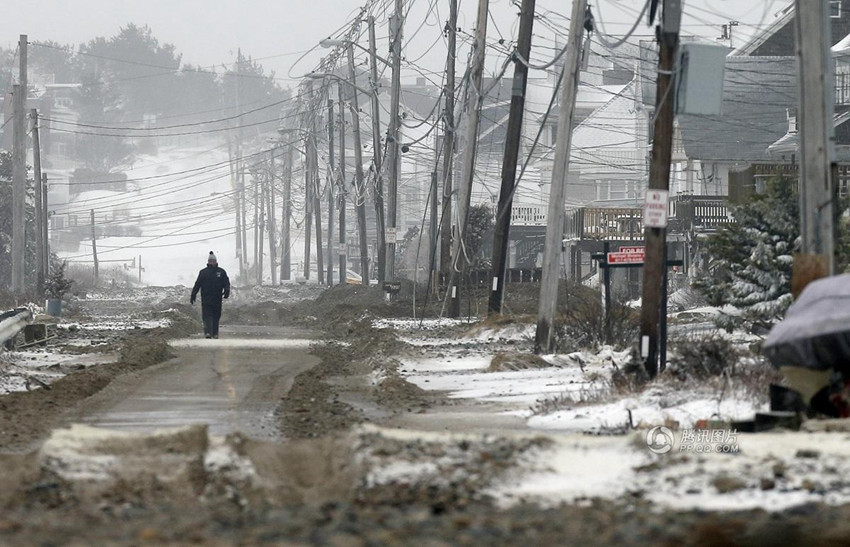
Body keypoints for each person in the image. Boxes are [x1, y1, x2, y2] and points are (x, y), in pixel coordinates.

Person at [190, 251, 230, 339]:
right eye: (210, 261)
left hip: (217, 298)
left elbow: (226, 283)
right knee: (207, 316)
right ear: (208, 262)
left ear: (216, 261)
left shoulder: (221, 272)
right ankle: (207, 332)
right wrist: (193, 294)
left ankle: (215, 333)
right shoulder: (203, 272)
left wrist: (227, 290)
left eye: (213, 261)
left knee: (216, 316)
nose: (212, 262)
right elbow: (198, 284)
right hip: (206, 298)